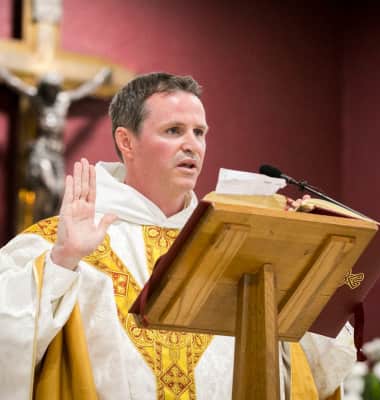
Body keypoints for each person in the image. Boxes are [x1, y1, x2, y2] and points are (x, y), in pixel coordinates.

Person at [0, 72, 356, 399]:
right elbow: (8, 339)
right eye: (174, 131)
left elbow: (312, 368)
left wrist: (303, 263)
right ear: (126, 141)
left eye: (199, 132)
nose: (192, 145)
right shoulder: (62, 240)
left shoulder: (234, 242)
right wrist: (62, 263)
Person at [0, 66, 111, 220]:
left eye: (53, 87)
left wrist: (100, 78)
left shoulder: (62, 101)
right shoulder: (38, 100)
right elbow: (16, 84)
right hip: (42, 151)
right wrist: (2, 71)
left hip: (56, 153)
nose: (51, 91)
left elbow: (83, 91)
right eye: (48, 88)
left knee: (59, 191)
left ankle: (47, 222)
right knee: (49, 187)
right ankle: (39, 221)